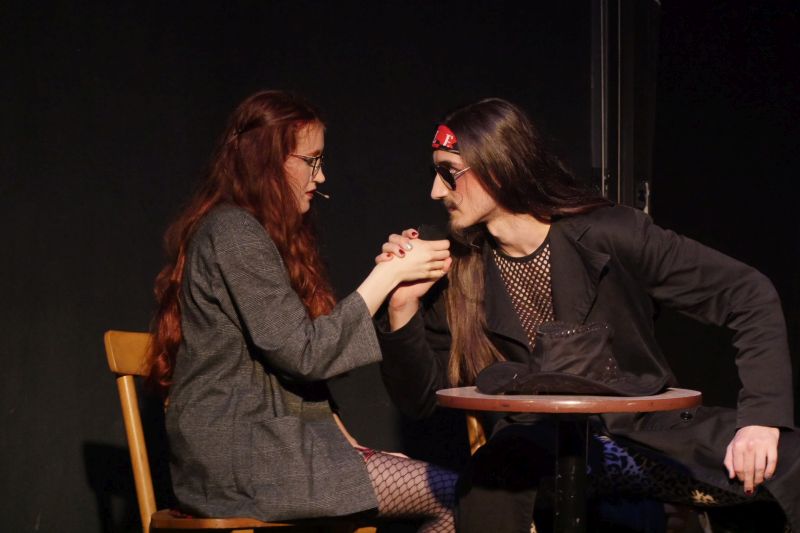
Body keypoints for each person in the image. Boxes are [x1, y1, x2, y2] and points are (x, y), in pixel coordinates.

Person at [375, 97, 799, 532]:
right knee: (489, 484)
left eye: (449, 174)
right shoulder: (460, 265)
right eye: (436, 174)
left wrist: (761, 419)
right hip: (536, 444)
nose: (436, 191)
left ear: (498, 168)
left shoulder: (610, 233)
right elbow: (420, 400)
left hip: (645, 431)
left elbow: (748, 293)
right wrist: (402, 304)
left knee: (790, 461)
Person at [147, 90, 457, 532]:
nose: (321, 174)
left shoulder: (257, 233)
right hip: (241, 462)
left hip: (275, 451)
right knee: (455, 495)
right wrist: (387, 275)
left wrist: (352, 447)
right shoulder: (233, 232)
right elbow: (303, 354)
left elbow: (293, 375)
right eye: (311, 161)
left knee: (449, 491)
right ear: (267, 160)